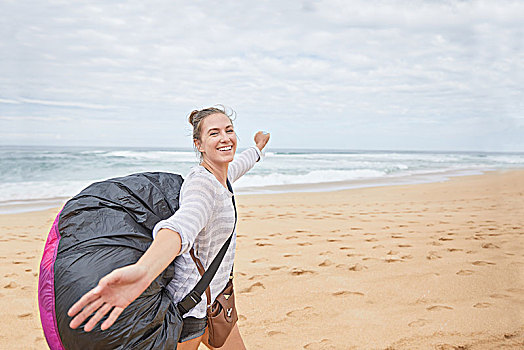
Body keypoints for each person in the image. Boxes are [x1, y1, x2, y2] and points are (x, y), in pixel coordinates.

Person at [67, 106, 270, 349]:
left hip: (216, 299)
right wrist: (144, 271)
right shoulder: (202, 185)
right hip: (191, 307)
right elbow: (180, 226)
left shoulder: (222, 176)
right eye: (214, 133)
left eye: (229, 130)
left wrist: (257, 148)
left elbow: (241, 163)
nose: (225, 138)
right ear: (199, 144)